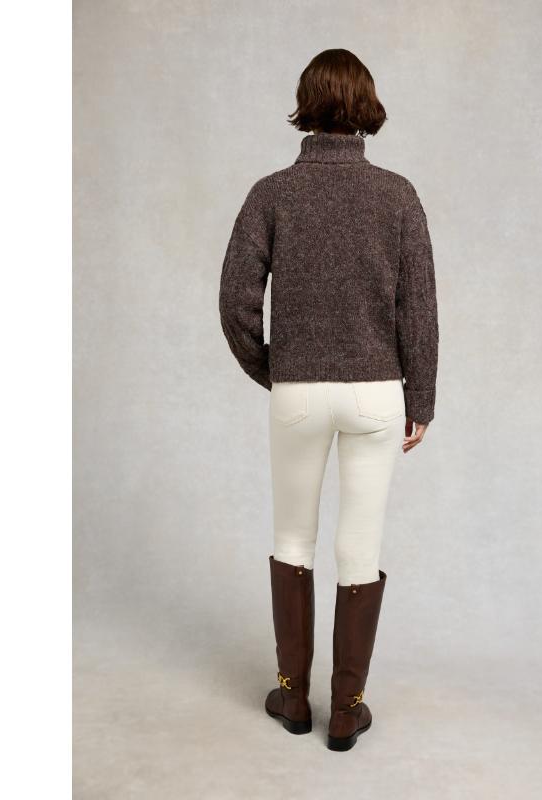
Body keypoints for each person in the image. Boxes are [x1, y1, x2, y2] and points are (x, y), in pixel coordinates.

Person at [218, 48, 439, 751]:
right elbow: (418, 310)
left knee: (292, 537)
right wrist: (422, 395)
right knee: (359, 545)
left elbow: (235, 299)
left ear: (306, 104)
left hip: (299, 392)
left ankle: (292, 697)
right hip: (377, 395)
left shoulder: (272, 193)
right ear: (366, 107)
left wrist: (276, 371)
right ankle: (347, 709)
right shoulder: (398, 196)